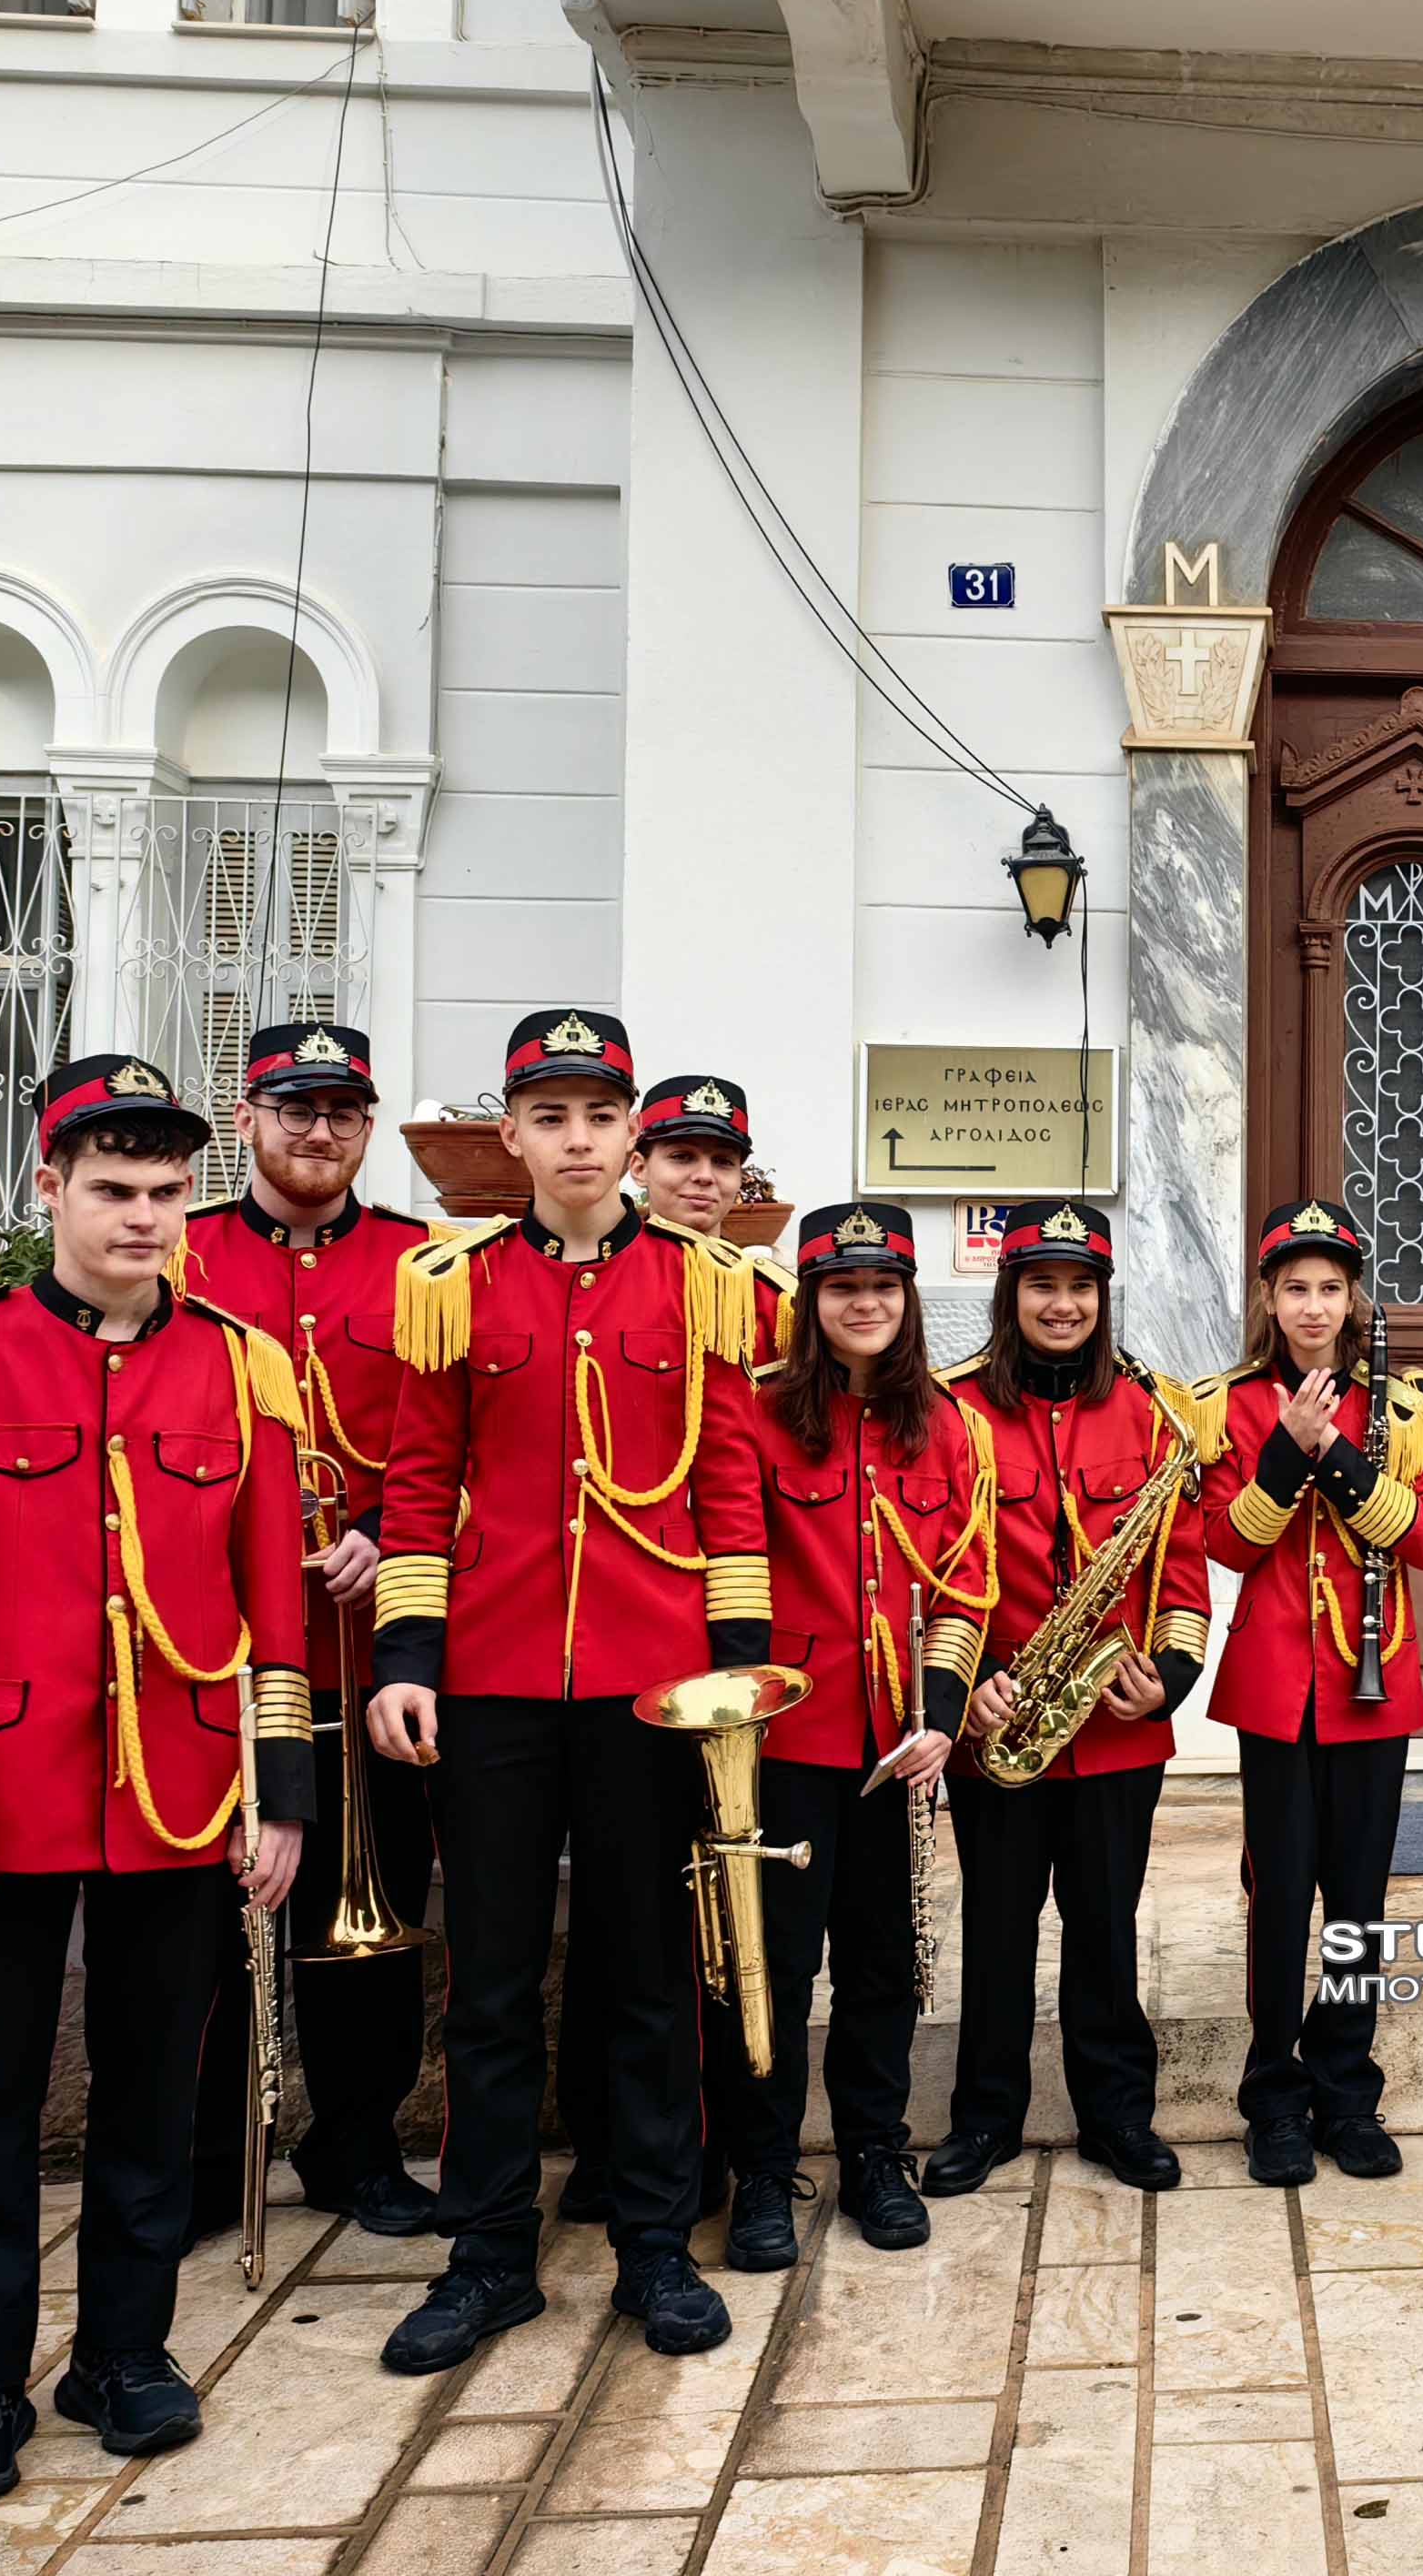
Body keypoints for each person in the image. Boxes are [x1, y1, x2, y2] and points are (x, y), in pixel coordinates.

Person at [0, 1055, 313, 2504]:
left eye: (168, 1193)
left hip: (181, 1794)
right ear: (47, 1188)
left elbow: (273, 1603)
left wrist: (280, 1795)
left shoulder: (241, 1365)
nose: (144, 1218)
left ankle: (124, 2353)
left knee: (154, 2098)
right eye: (113, 1189)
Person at [362, 1008, 770, 2375]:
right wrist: (407, 1661)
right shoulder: (451, 1282)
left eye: (601, 1116)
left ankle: (655, 2244)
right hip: (492, 1675)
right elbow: (418, 1485)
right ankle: (488, 2255)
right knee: (487, 1982)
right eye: (552, 1117)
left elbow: (727, 1491)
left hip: (653, 1682)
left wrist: (735, 1669)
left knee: (649, 1977)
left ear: (634, 1134)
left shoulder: (705, 1284)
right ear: (513, 1135)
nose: (579, 1140)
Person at [176, 1021, 441, 2241]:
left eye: (341, 1112)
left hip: (363, 1645)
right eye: (295, 1108)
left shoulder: (423, 1266)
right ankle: (207, 2160)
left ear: (369, 1129)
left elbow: (459, 1438)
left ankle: (357, 2147)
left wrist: (385, 1528)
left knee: (367, 1919)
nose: (319, 1131)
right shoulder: (181, 1251)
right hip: (213, 1650)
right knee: (206, 1924)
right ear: (247, 1120)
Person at [927, 1201, 1213, 2197]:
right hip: (997, 1716)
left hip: (1114, 1728)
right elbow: (931, 1568)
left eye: (1081, 1287)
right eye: (1042, 1285)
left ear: (1103, 1296)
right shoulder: (950, 1408)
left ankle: (1117, 2116)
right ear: (1010, 1295)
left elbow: (1182, 1577)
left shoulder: (1155, 1411)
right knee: (996, 1931)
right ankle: (984, 2119)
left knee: (1106, 1928)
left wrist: (1166, 1680)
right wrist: (961, 1689)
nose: (1062, 1305)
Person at [723, 1200, 989, 2265]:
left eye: (884, 1286)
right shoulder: (757, 1412)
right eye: (843, 1287)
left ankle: (876, 2153)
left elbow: (964, 1584)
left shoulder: (951, 1425)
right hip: (783, 1741)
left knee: (883, 1963)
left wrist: (941, 1720)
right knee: (776, 1967)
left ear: (908, 1300)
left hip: (895, 1743)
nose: (865, 1302)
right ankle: (761, 2169)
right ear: (811, 1300)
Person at [557, 1070, 788, 2224]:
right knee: (622, 1923)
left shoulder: (769, 1297)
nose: (702, 1178)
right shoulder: (589, 1277)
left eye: (721, 1161)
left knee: (709, 1914)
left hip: (723, 1640)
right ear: (640, 1163)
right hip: (618, 1642)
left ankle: (715, 2145)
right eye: (682, 1156)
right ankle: (605, 2144)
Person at [1200, 1198, 1423, 2189]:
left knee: (1357, 1897)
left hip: (1370, 1689)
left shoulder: (1406, 1406)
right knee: (1278, 1895)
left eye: (1331, 1288)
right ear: (1268, 1297)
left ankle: (1347, 2091)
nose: (1313, 1305)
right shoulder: (1225, 1405)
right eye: (1295, 1287)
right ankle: (1273, 2096)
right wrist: (1281, 1452)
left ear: (1354, 1301)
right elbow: (1226, 1545)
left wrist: (1336, 1457)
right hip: (1274, 1685)